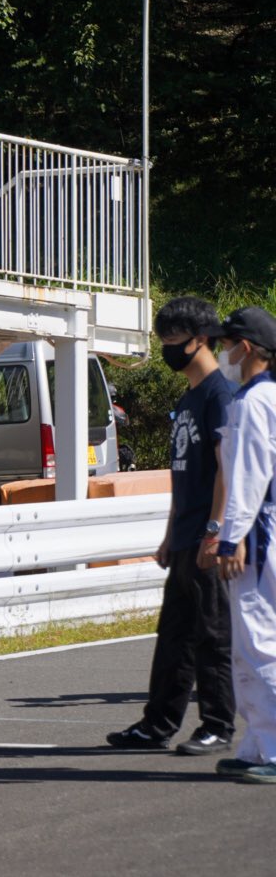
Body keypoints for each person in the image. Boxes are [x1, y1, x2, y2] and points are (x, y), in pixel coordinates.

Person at [107, 297, 235, 756]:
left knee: (212, 635)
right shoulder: (188, 399)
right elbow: (182, 475)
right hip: (182, 535)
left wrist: (215, 530)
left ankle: (218, 723)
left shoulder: (220, 396)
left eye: (172, 341)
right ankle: (157, 724)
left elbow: (226, 468)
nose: (167, 350)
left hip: (207, 536)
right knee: (174, 638)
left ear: (200, 339)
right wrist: (168, 533)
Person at [211, 306, 276, 783]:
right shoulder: (256, 397)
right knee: (248, 644)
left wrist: (230, 537)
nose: (223, 353)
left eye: (227, 343)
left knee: (260, 643)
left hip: (258, 536)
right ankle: (257, 743)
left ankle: (272, 749)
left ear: (246, 348)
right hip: (260, 531)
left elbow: (249, 477)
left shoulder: (256, 402)